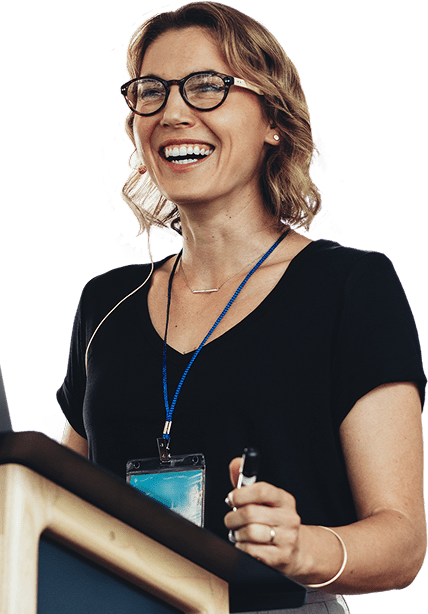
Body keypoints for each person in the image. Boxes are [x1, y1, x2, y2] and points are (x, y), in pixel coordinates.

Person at [55, 2, 426, 611]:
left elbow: (403, 541)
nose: (173, 112)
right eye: (151, 92)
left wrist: (303, 548)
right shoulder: (105, 305)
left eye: (207, 87)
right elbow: (63, 508)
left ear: (273, 120)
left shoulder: (351, 287)